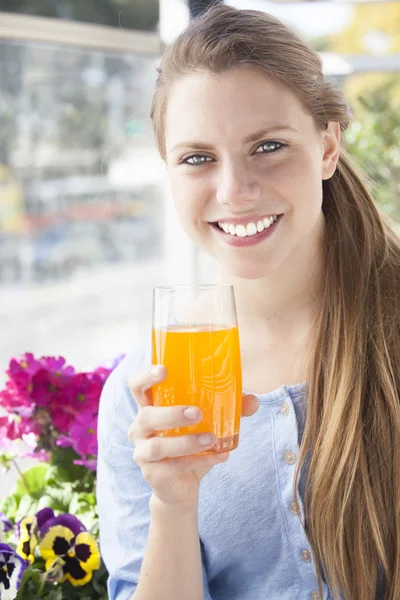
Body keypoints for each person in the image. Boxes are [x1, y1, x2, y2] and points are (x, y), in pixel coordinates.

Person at [96, 5, 400, 600]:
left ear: (329, 146)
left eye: (268, 146)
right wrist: (172, 505)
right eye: (197, 158)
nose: (234, 191)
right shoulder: (143, 396)